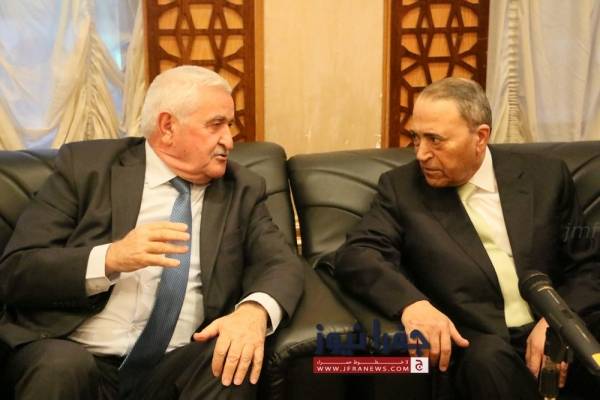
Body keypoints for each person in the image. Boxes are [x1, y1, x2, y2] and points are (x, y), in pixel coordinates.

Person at [0, 65, 304, 399]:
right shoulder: (86, 168)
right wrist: (109, 258)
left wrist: (253, 313)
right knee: (61, 367)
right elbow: (17, 270)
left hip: (174, 367)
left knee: (229, 357)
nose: (228, 141)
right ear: (167, 126)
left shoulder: (241, 189)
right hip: (76, 355)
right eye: (215, 124)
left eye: (229, 126)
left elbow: (281, 263)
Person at [335, 77, 600, 399]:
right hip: (476, 341)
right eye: (416, 137)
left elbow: (588, 265)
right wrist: (412, 305)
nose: (421, 154)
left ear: (480, 137)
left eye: (435, 140)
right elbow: (359, 253)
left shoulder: (545, 176)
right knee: (487, 363)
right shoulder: (402, 188)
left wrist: (558, 321)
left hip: (554, 324)